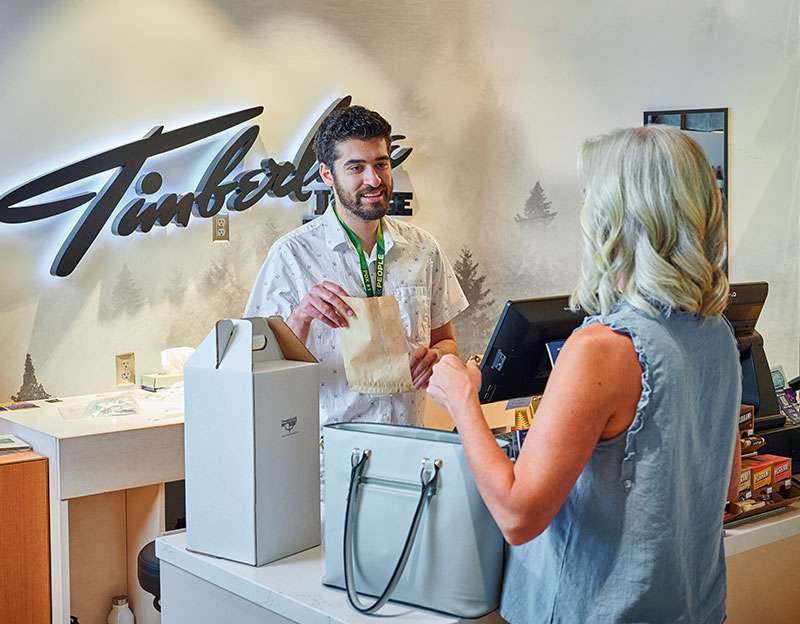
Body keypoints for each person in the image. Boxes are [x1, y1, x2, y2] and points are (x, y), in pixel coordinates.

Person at [428, 125, 742, 623]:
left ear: (616, 216)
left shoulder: (601, 350)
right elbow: (724, 487)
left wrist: (463, 400)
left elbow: (517, 515)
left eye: (588, 196)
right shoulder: (718, 332)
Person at [245, 105, 468, 429]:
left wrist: (437, 357)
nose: (373, 179)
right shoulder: (291, 255)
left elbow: (446, 341)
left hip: (405, 448)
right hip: (326, 460)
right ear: (327, 174)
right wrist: (301, 317)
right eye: (356, 167)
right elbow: (259, 369)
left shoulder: (424, 249)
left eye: (381, 164)